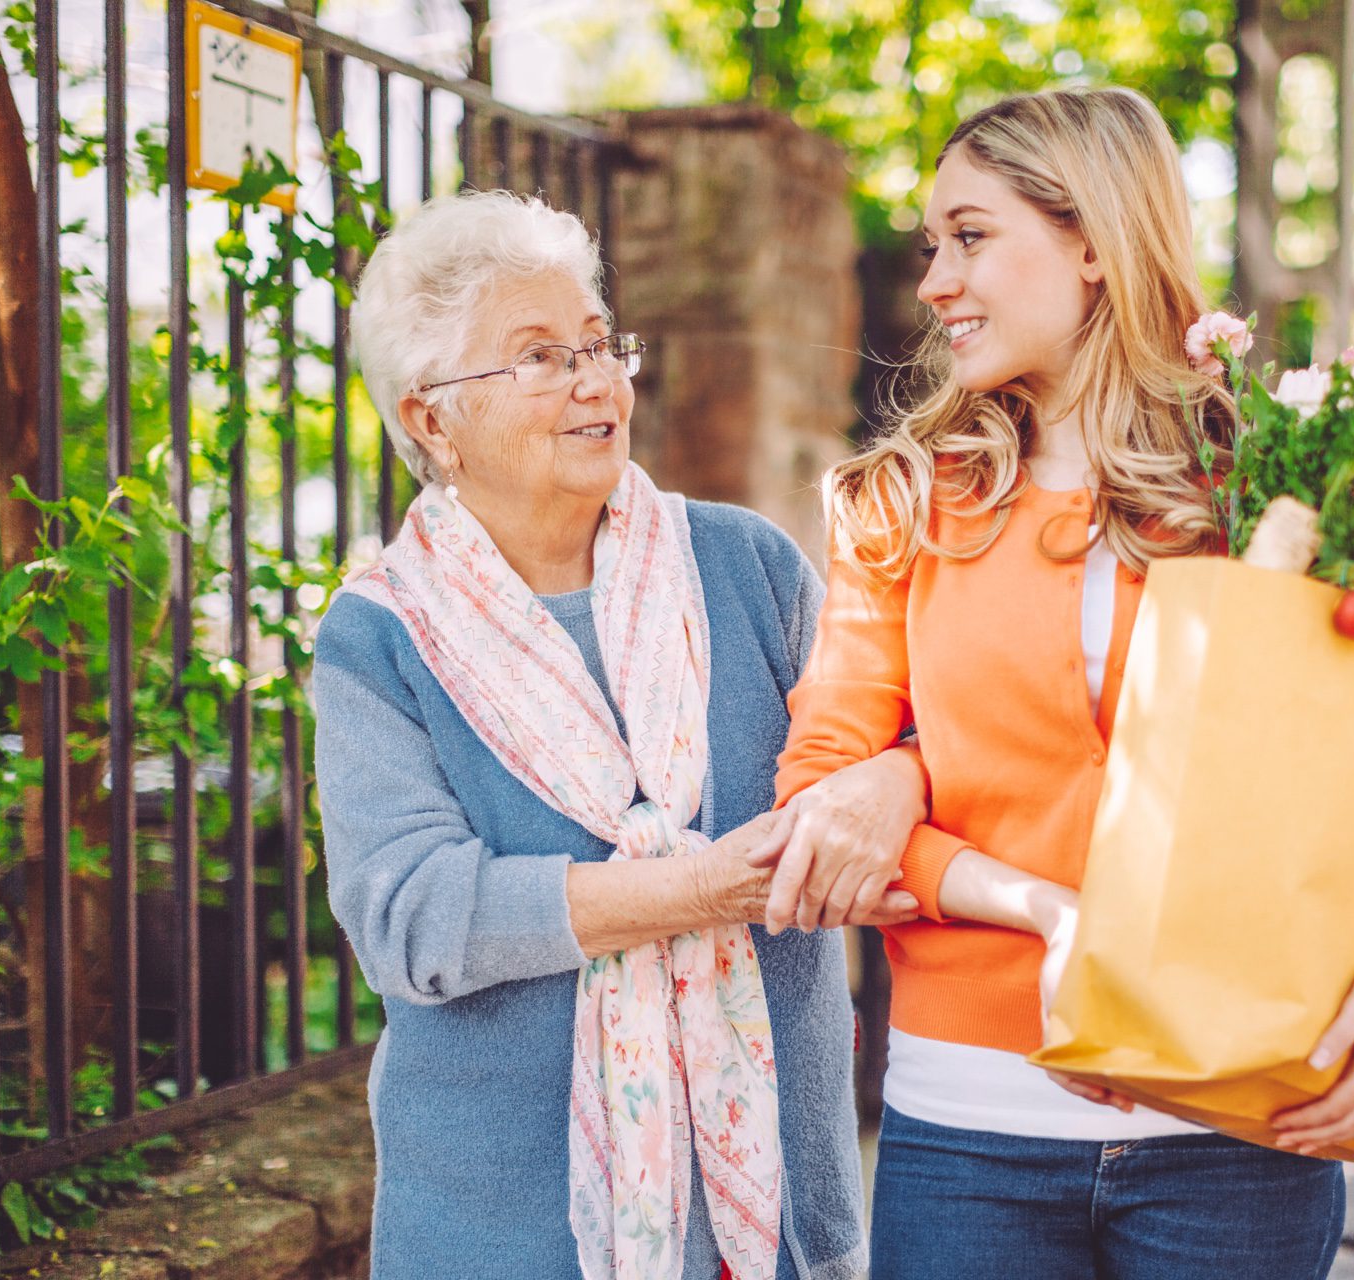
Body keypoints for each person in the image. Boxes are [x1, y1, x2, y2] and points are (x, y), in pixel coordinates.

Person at [767, 87, 1354, 1279]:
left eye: (972, 235)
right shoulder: (905, 502)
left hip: (1241, 1116)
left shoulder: (1291, 479)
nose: (936, 278)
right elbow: (817, 804)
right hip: (972, 1129)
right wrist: (1029, 897)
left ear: (1094, 241)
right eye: (932, 242)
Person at [313, 189, 926, 1280]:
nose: (599, 382)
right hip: (504, 1227)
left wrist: (892, 780)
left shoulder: (744, 565)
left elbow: (901, 745)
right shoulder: (381, 636)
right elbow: (415, 916)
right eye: (542, 357)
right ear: (429, 417)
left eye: (600, 345)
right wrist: (702, 887)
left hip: (770, 1208)